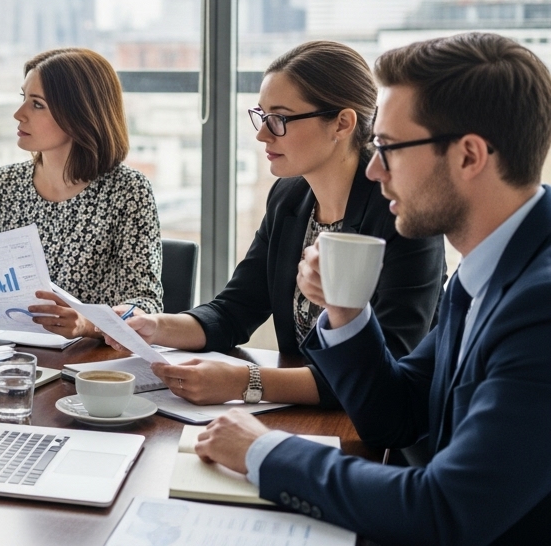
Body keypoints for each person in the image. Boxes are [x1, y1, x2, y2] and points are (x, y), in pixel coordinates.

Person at [196, 32, 551, 545]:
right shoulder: (487, 269)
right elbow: (396, 416)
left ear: (470, 157)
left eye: (388, 148)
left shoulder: (538, 306)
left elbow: (446, 510)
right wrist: (345, 311)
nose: (374, 168)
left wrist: (264, 451)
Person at [99, 41, 444, 406]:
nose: (262, 134)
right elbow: (234, 311)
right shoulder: (289, 198)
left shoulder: (401, 214)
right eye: (261, 116)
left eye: (279, 119)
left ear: (341, 124)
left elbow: (385, 367)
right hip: (306, 414)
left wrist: (247, 382)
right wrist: (155, 326)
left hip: (382, 429)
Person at [0, 47, 163, 337]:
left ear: (78, 112)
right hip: (11, 352)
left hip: (91, 363)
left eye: (37, 105)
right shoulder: (4, 184)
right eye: (23, 99)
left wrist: (89, 324)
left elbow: (147, 305)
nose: (18, 114)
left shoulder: (128, 190)